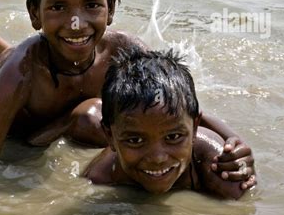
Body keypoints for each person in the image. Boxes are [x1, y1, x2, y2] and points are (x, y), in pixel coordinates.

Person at [0, 0, 256, 192]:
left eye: (91, 5)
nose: (76, 23)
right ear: (34, 13)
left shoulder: (125, 50)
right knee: (90, 116)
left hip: (90, 128)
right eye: (57, 7)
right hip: (27, 145)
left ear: (112, 8)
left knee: (111, 120)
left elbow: (177, 108)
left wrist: (234, 143)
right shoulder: (20, 70)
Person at [84, 44, 253, 199]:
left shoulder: (213, 161)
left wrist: (242, 162)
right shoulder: (100, 178)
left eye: (173, 137)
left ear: (195, 128)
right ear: (110, 137)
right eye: (135, 140)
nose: (158, 158)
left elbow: (245, 202)